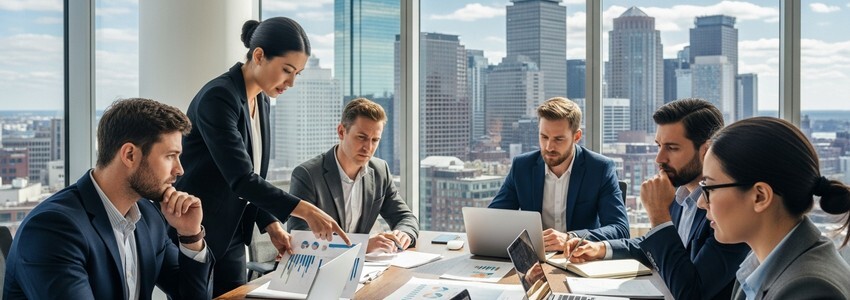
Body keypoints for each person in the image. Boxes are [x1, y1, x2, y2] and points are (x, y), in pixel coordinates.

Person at [176, 17, 349, 296]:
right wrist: (305, 209)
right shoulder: (219, 97)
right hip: (195, 232)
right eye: (286, 70)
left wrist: (270, 223)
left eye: (298, 74)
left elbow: (253, 174)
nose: (291, 82)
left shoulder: (262, 100)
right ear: (259, 56)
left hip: (231, 234)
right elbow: (241, 178)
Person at [4, 98, 213, 299]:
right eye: (170, 156)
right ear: (129, 155)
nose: (180, 170)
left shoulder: (149, 218)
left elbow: (194, 296)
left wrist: (190, 235)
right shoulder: (53, 228)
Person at [563, 99, 750, 300]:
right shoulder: (679, 193)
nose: (659, 158)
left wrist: (659, 214)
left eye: (672, 148)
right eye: (659, 146)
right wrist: (601, 248)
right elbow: (660, 247)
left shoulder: (726, 210)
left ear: (706, 151)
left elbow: (692, 294)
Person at [697, 117, 850, 299]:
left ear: (760, 196)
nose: (700, 202)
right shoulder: (758, 264)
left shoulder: (810, 290)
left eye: (710, 188)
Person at [489, 97, 629, 251]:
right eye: (544, 137)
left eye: (558, 139)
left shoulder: (600, 169)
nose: (549, 147)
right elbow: (494, 220)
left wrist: (571, 238)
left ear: (576, 136)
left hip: (579, 260)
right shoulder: (522, 167)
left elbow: (620, 229)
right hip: (535, 261)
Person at [288, 98, 419, 253]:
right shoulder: (307, 175)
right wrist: (361, 247)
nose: (368, 148)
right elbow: (301, 241)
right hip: (317, 270)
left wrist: (404, 234)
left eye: (375, 140)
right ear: (342, 131)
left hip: (362, 269)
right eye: (361, 137)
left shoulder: (379, 170)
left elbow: (405, 217)